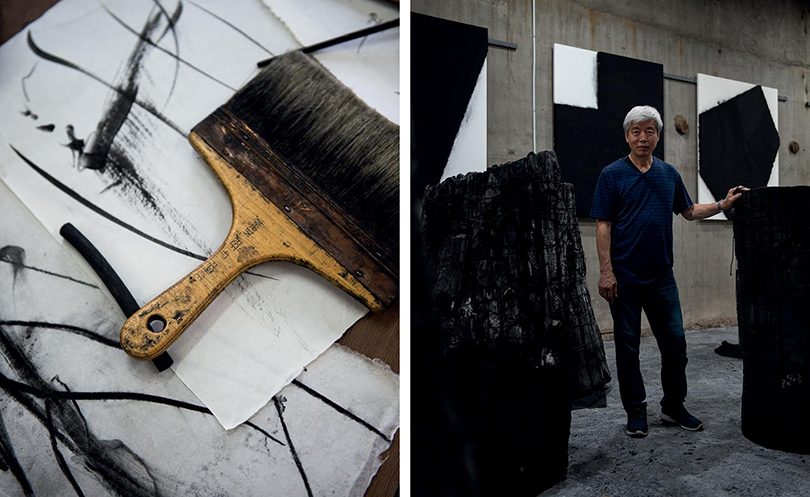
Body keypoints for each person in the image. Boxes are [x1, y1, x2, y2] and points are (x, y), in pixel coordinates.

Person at [590, 105, 747, 438]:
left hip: (661, 277)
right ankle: (636, 411)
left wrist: (722, 204)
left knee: (675, 345)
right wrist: (606, 272)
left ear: (658, 136)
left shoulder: (669, 174)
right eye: (636, 131)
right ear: (627, 136)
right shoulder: (611, 174)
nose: (642, 138)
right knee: (628, 348)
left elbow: (689, 211)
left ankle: (673, 406)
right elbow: (603, 225)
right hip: (625, 278)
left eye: (649, 131)